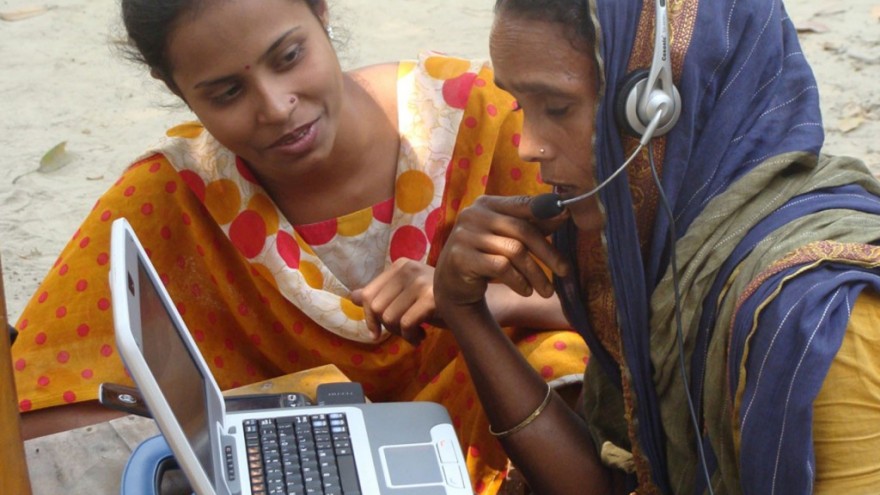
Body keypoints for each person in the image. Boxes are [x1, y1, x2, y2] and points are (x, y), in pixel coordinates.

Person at [10, 0, 590, 491]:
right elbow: (42, 414)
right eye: (226, 92)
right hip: (293, 465)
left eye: (289, 57)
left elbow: (648, 312)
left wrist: (494, 305)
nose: (275, 105)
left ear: (321, 11)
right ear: (176, 90)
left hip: (497, 427)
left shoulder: (487, 121)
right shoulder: (171, 197)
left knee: (570, 367)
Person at [432, 0, 880, 493]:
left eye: (557, 108)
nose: (527, 145)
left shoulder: (820, 322)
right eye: (522, 106)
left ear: (657, 109)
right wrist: (464, 310)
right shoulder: (636, 252)